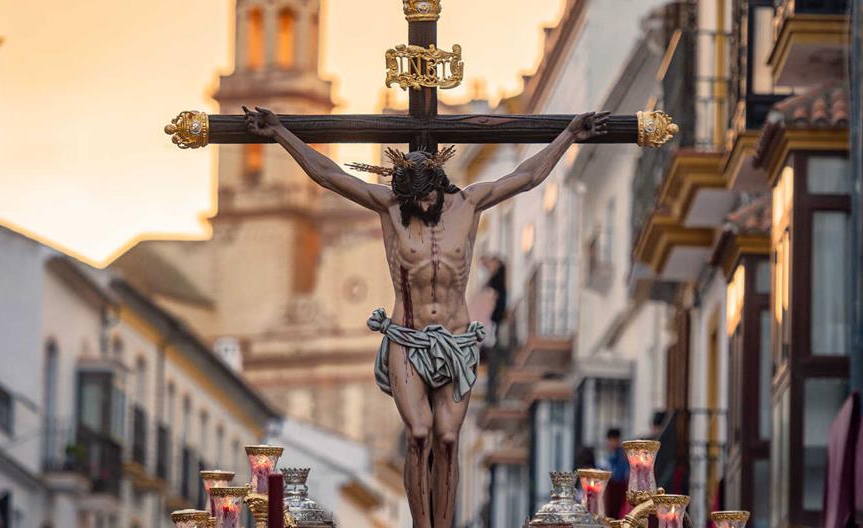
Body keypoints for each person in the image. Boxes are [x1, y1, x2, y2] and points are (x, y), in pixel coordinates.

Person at [244, 105, 610, 528]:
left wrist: (569, 134)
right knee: (419, 434)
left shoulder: (470, 203)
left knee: (449, 438)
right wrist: (280, 132)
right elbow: (329, 174)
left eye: (427, 197)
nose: (422, 206)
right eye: (413, 200)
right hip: (407, 338)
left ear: (439, 183)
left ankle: (443, 524)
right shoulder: (389, 207)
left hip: (457, 341)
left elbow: (527, 176)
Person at [601, 428, 630, 518]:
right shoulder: (608, 456)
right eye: (610, 440)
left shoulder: (623, 455)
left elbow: (623, 473)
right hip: (610, 489)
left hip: (620, 488)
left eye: (614, 440)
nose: (612, 443)